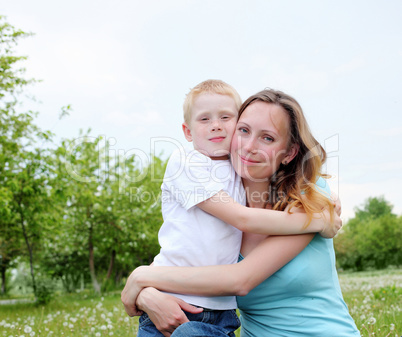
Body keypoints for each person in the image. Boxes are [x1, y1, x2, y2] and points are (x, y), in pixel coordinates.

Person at [122, 88, 359, 337]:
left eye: (267, 138)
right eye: (244, 131)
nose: (248, 147)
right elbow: (185, 255)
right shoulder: (219, 205)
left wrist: (143, 277)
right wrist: (146, 289)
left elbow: (240, 280)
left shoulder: (308, 197)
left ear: (289, 153)